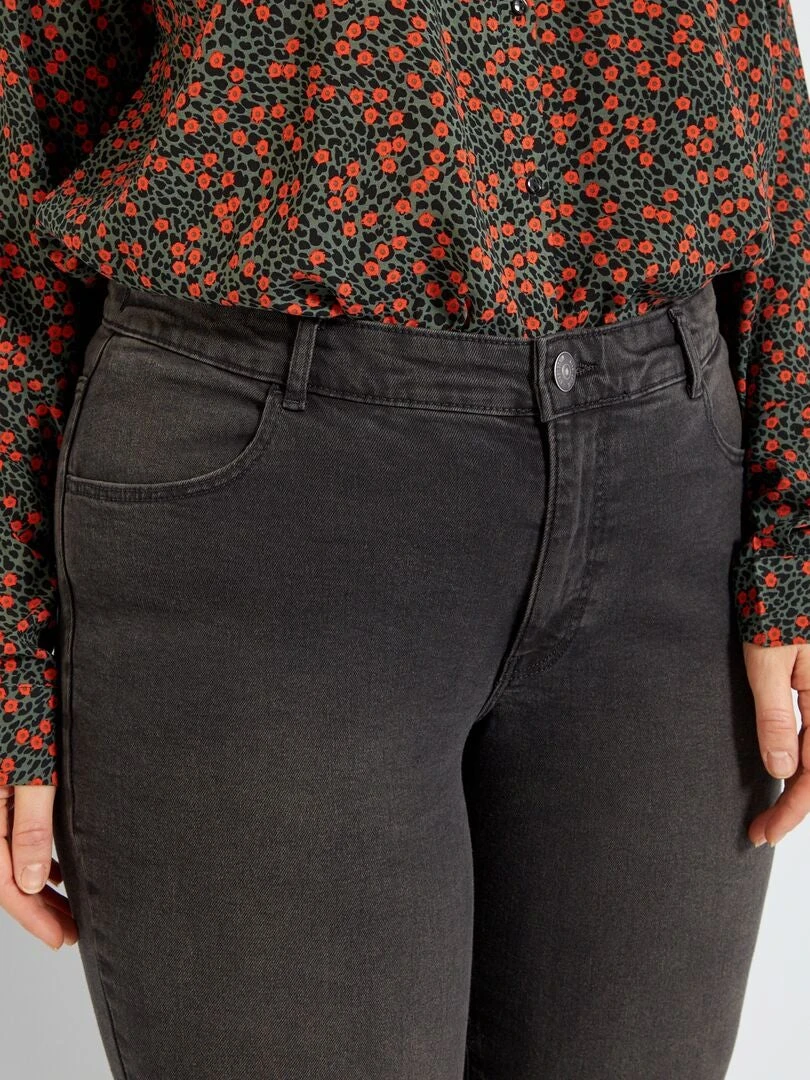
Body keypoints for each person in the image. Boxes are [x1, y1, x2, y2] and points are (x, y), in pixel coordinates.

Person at [1, 0, 808, 1076]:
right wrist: (11, 655)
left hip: (669, 478)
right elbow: (34, 91)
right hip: (270, 505)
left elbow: (761, 71)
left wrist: (795, 535)